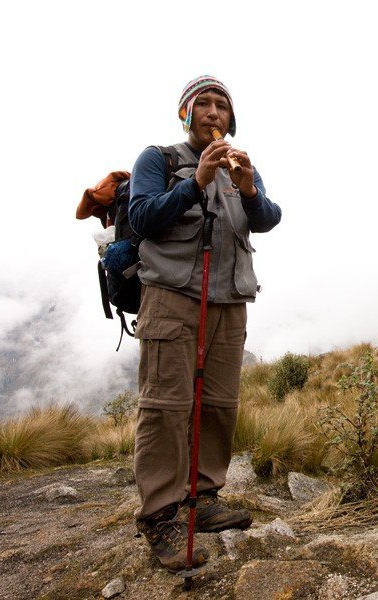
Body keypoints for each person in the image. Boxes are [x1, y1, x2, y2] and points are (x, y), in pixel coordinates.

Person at [127, 75, 281, 572]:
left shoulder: (239, 166)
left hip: (229, 298)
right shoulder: (159, 159)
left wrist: (250, 188)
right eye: (203, 104)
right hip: (171, 296)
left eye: (222, 106)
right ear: (186, 114)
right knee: (167, 404)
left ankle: (205, 495)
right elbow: (145, 216)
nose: (214, 113)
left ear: (231, 119)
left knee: (219, 403)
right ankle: (161, 513)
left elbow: (269, 218)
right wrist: (195, 183)